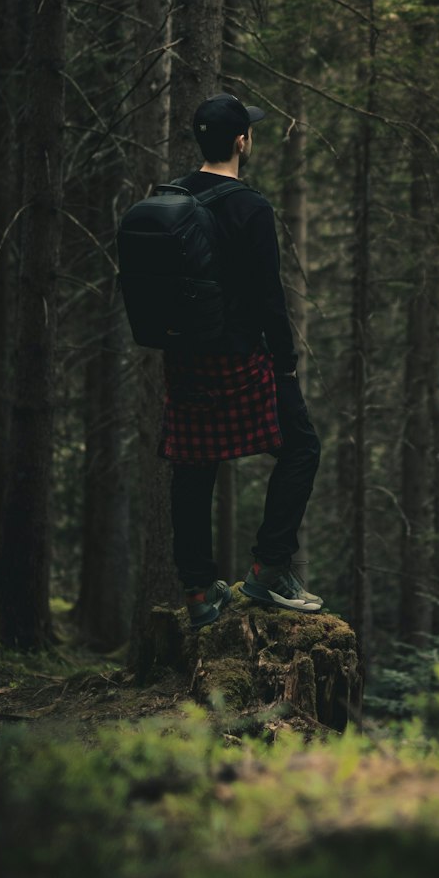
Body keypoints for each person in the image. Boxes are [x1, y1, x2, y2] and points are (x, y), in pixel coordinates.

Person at [159, 92, 322, 626]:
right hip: (240, 359)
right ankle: (270, 569)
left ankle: (199, 595)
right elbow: (267, 296)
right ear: (240, 141)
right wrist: (287, 363)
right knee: (300, 447)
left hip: (183, 358)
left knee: (193, 469)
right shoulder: (250, 207)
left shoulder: (171, 196)